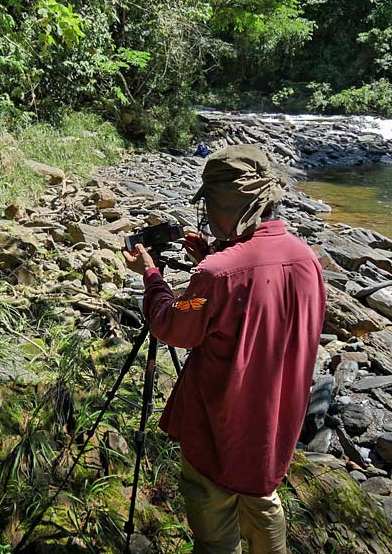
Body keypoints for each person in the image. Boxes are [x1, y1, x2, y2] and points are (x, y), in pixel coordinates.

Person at [123, 145, 326, 554]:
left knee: (215, 534)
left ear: (224, 204)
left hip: (219, 432)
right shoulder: (306, 260)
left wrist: (151, 276)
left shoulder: (215, 276)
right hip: (272, 429)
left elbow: (174, 321)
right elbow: (256, 297)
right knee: (263, 503)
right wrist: (216, 255)